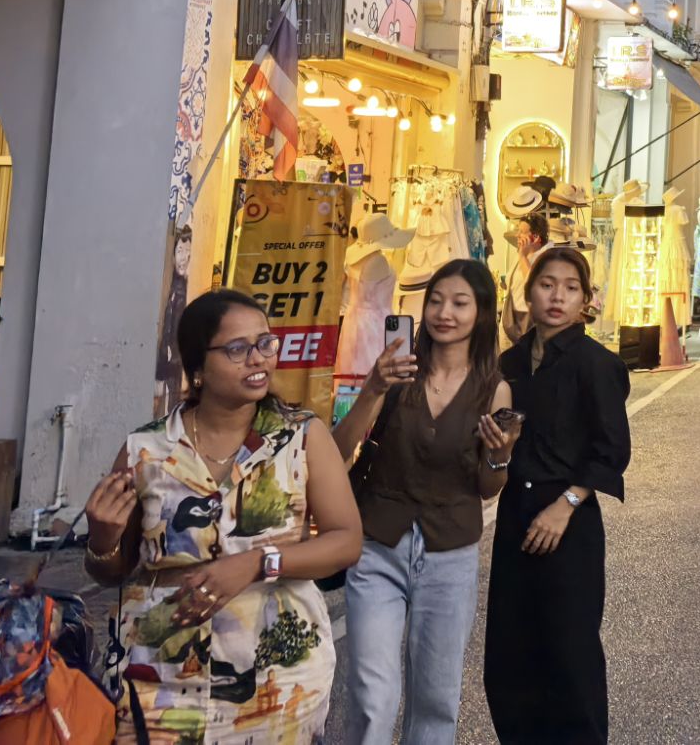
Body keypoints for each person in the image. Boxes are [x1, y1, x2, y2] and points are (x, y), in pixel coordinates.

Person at [82, 290, 363, 743]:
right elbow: (111, 570)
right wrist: (102, 539)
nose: (257, 359)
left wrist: (258, 561)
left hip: (279, 671)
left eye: (265, 344)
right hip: (161, 672)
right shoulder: (146, 451)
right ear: (197, 367)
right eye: (237, 349)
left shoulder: (302, 437)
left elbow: (346, 540)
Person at [334, 260, 517, 745]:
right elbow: (338, 451)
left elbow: (486, 486)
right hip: (378, 546)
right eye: (435, 300)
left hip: (449, 554)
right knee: (374, 696)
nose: (444, 313)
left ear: (481, 314)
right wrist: (374, 388)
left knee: (436, 700)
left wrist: (500, 456)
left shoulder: (493, 388)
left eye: (460, 303)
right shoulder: (397, 371)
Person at [484, 247, 634, 743]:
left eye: (571, 288)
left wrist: (566, 504)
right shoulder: (506, 365)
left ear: (585, 300)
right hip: (515, 515)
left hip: (569, 520)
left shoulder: (597, 364)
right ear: (529, 292)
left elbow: (611, 449)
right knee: (510, 655)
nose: (557, 296)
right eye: (548, 284)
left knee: (570, 655)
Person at [500, 211, 547, 345]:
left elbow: (532, 285)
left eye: (522, 231)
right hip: (510, 324)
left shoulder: (543, 258)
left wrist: (522, 256)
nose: (518, 235)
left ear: (536, 237)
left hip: (526, 327)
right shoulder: (522, 254)